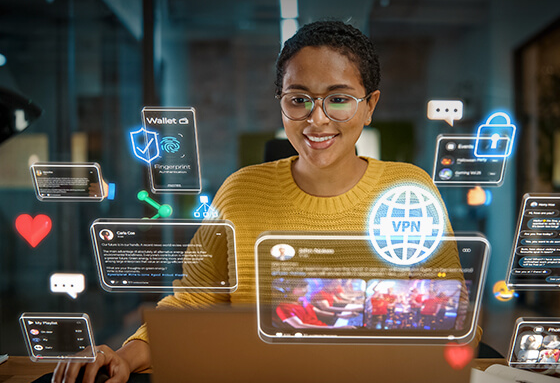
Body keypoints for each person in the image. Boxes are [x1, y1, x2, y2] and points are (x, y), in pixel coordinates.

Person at [53, 20, 464, 383]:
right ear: (281, 103)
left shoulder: (410, 192)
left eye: (338, 99)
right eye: (298, 99)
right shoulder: (239, 192)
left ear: (369, 105)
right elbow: (195, 300)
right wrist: (125, 356)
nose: (316, 119)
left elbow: (457, 318)